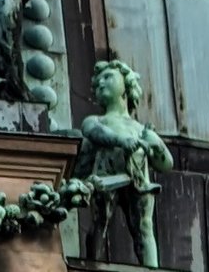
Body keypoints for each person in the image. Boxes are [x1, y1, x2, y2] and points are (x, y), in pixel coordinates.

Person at [71, 56, 173, 267]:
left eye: (108, 77)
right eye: (97, 82)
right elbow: (95, 133)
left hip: (139, 181)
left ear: (126, 86)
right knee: (100, 222)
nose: (100, 83)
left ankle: (151, 267)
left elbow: (166, 163)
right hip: (106, 178)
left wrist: (156, 144)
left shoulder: (140, 128)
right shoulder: (96, 120)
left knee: (144, 227)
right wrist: (121, 140)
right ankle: (94, 264)